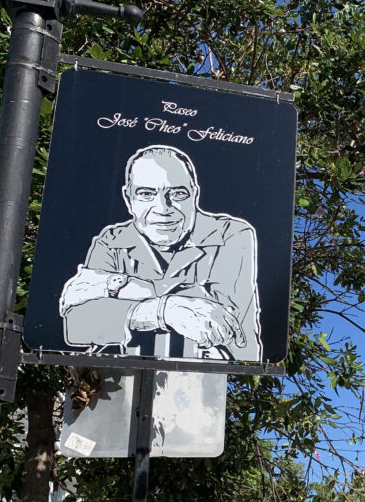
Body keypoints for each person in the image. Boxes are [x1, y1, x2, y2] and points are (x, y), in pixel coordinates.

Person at [59, 144, 261, 361]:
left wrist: (118, 288)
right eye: (146, 193)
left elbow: (221, 320)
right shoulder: (112, 240)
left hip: (212, 375)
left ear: (194, 194)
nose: (163, 208)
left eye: (177, 193)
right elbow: (77, 324)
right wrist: (165, 311)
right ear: (128, 199)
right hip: (121, 379)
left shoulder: (232, 234)